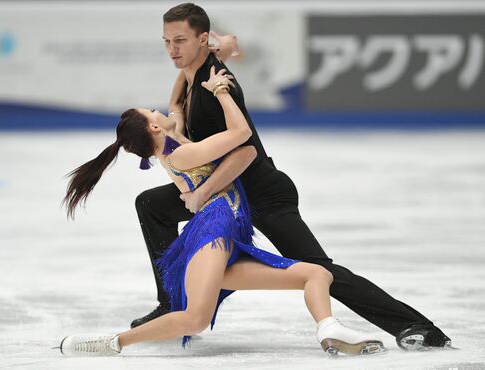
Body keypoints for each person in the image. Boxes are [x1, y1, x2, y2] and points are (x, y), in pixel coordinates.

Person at [131, 3, 452, 351]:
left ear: (201, 38)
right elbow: (215, 57)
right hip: (230, 193)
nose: (172, 50)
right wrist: (218, 49)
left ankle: (418, 326)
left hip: (261, 193)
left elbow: (245, 153)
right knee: (151, 205)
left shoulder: (216, 89)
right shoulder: (195, 73)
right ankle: (170, 303)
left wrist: (201, 193)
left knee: (319, 269)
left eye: (179, 41)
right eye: (166, 41)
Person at [60, 66, 384, 356]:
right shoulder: (183, 155)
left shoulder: (173, 142)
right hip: (214, 229)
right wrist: (220, 91)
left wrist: (198, 64)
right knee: (195, 319)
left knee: (317, 273)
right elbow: (242, 136)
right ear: (154, 128)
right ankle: (112, 343)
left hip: (227, 231)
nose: (157, 109)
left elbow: (175, 103)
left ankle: (329, 329)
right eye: (150, 111)